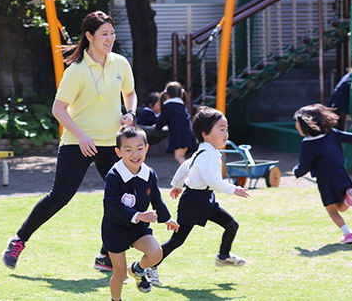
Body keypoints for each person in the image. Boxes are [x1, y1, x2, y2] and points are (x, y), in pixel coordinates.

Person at [2, 11, 138, 271]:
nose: (110, 38)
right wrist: (81, 135)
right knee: (59, 197)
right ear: (89, 36)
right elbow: (58, 109)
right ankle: (19, 240)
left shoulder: (120, 63)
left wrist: (130, 112)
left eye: (112, 33)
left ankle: (105, 255)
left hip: (112, 143)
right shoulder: (76, 71)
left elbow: (130, 93)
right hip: (78, 143)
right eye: (104, 34)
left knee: (123, 199)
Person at [146, 106, 249, 286]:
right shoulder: (207, 154)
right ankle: (149, 265)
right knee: (177, 240)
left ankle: (223, 256)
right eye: (221, 129)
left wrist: (177, 185)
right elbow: (212, 180)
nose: (226, 133)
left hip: (206, 200)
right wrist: (234, 189)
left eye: (227, 129)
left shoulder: (206, 151)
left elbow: (186, 166)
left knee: (231, 225)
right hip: (193, 202)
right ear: (205, 133)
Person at [102, 126, 179, 300]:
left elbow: (157, 199)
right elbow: (111, 206)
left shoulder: (149, 173)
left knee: (156, 253)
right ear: (118, 152)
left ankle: (137, 269)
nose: (135, 154)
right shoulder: (113, 176)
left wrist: (167, 218)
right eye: (128, 150)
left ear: (146, 149)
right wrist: (139, 216)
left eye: (139, 148)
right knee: (120, 274)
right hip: (114, 230)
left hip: (138, 230)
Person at [293, 104, 352, 244]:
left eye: (297, 123)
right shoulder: (332, 133)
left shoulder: (307, 144)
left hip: (325, 180)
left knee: (332, 210)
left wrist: (296, 172)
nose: (296, 126)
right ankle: (349, 198)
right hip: (341, 174)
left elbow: (305, 166)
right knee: (341, 206)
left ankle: (348, 234)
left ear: (305, 125)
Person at [155, 81, 197, 164]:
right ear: (181, 94)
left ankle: (191, 174)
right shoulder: (181, 106)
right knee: (182, 156)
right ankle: (188, 174)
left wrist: (157, 126)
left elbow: (162, 120)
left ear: (166, 95)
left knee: (179, 157)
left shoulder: (169, 106)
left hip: (179, 135)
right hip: (187, 133)